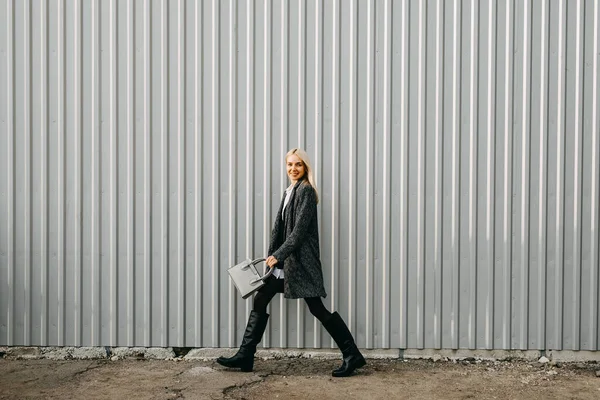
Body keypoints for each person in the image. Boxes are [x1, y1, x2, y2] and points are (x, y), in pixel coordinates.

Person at [217, 148, 366, 377]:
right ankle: (246, 355)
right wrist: (276, 258)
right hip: (288, 265)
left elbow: (298, 232)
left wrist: (279, 254)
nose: (293, 169)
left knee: (317, 309)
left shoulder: (305, 191)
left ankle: (352, 354)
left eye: (298, 165)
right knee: (262, 297)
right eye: (289, 165)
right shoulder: (290, 191)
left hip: (301, 265)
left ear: (305, 167)